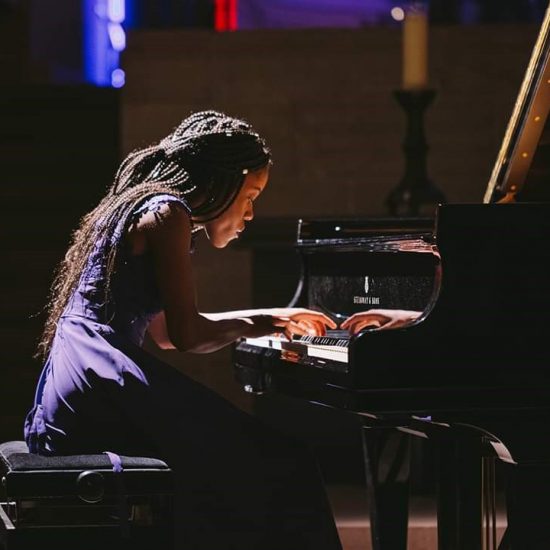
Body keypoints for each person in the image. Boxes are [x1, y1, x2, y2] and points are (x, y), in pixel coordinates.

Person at [23, 110, 343, 550]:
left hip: (77, 385)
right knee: (283, 462)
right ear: (223, 180)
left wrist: (271, 316)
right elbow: (187, 335)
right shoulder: (167, 213)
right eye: (250, 195)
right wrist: (269, 321)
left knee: (241, 463)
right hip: (100, 389)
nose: (250, 213)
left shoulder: (142, 208)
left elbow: (167, 335)